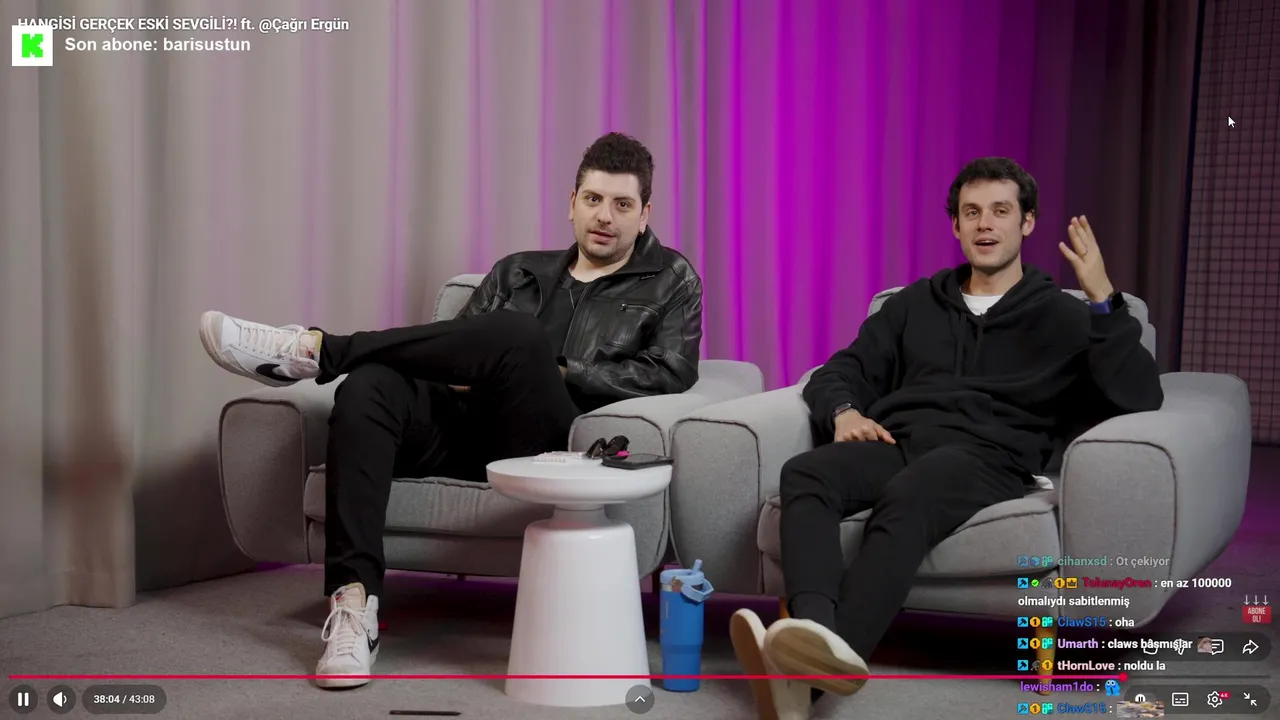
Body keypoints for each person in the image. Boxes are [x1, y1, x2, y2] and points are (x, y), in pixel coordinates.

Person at [198, 132, 704, 688]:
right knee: (369, 385)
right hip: (463, 429)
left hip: (543, 444)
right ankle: (354, 606)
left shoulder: (671, 281)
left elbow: (671, 371)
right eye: (593, 199)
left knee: (518, 336)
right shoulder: (517, 271)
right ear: (572, 203)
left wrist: (561, 370)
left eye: (622, 204)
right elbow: (451, 355)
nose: (604, 216)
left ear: (644, 213)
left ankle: (319, 350)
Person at [729, 157, 1164, 719]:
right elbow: (843, 369)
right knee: (806, 474)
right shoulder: (914, 304)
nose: (985, 224)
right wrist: (842, 411)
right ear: (956, 225)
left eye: (1001, 211)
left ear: (1027, 222)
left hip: (989, 457)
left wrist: (1103, 298)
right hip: (901, 442)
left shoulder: (1064, 315)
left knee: (912, 494)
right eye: (972, 212)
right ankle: (809, 640)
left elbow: (1138, 396)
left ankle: (813, 677)